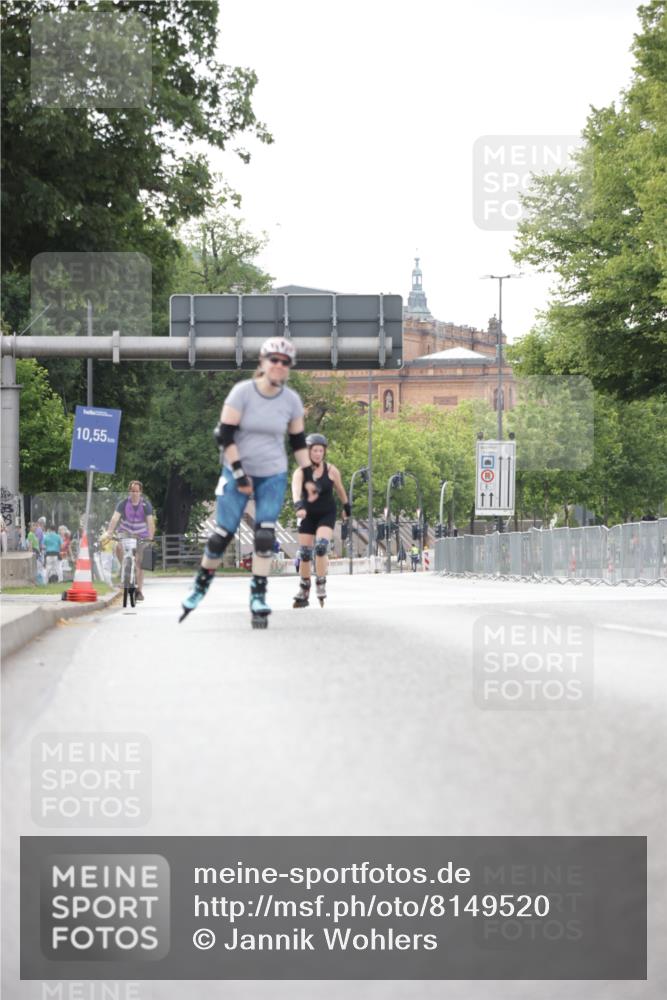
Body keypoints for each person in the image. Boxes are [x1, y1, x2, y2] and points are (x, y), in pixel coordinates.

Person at [180, 337, 319, 628]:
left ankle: (258, 596)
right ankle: (200, 586)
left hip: (273, 473)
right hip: (236, 470)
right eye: (274, 360)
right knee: (222, 535)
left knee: (265, 535)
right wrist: (240, 473)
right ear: (262, 362)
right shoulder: (242, 393)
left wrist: (308, 478)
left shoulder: (291, 400)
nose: (279, 366)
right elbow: (224, 435)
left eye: (285, 362)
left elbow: (296, 442)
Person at [292, 433, 350, 608]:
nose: (318, 454)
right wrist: (298, 506)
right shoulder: (301, 471)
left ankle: (321, 581)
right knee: (304, 552)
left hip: (326, 513)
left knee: (321, 546)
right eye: (314, 450)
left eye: (320, 450)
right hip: (307, 514)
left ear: (324, 452)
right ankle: (304, 587)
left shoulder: (331, 470)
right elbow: (295, 490)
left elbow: (340, 490)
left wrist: (346, 508)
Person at [102, 481, 155, 600]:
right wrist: (109, 532)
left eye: (137, 491)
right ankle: (124, 566)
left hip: (141, 534)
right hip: (125, 531)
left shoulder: (146, 505)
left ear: (140, 492)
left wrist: (150, 537)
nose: (134, 493)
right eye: (132, 491)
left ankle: (139, 591)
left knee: (140, 562)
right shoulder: (123, 503)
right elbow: (115, 518)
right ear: (129, 491)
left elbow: (150, 522)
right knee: (118, 547)